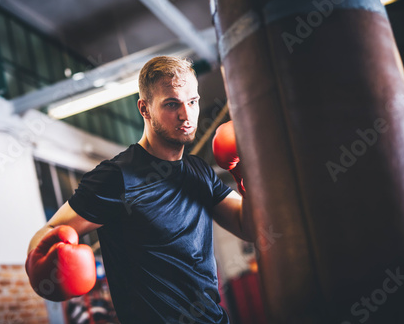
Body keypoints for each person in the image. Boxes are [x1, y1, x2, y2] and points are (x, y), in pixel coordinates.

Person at [25, 56, 255, 324]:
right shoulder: (117, 176)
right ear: (144, 109)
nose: (186, 114)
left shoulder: (199, 172)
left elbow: (246, 226)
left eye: (192, 102)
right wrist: (45, 267)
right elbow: (49, 233)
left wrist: (246, 174)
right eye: (172, 104)